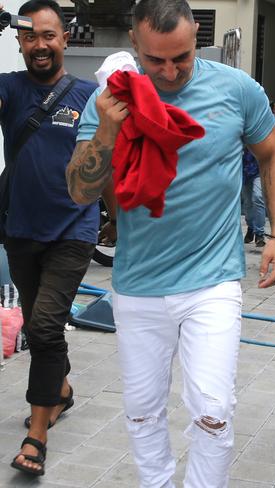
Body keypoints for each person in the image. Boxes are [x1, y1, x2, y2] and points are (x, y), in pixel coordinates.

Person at [65, 1, 275, 486]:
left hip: (212, 280)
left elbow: (273, 155)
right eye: (156, 60)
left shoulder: (236, 89)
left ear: (197, 41)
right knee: (143, 413)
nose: (170, 71)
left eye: (182, 57)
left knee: (213, 411)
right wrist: (108, 128)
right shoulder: (111, 98)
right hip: (137, 283)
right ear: (134, 47)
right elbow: (80, 190)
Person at [0, 0, 108, 477]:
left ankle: (36, 436)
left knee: (43, 327)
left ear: (66, 38)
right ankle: (59, 389)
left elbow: (110, 154)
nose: (40, 45)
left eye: (49, 35)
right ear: (19, 41)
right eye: (30, 37)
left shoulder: (89, 95)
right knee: (41, 326)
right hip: (19, 229)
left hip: (73, 229)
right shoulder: (8, 89)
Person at [242, 147, 267, 247]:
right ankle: (251, 227)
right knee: (248, 203)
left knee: (258, 197)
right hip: (243, 170)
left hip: (259, 169)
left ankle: (259, 234)